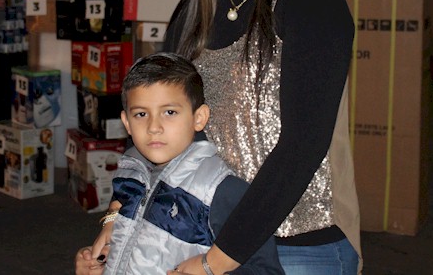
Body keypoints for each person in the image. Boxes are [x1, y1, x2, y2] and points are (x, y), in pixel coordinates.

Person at [83, 0, 362, 275]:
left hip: (297, 246)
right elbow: (152, 123)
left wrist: (217, 261)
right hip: (193, 235)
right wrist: (117, 218)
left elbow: (302, 147)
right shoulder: (192, 11)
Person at [75, 52, 284, 275]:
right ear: (126, 122)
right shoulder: (130, 173)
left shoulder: (220, 191)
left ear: (199, 118)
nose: (154, 127)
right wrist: (101, 266)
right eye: (141, 114)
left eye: (169, 112)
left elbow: (265, 270)